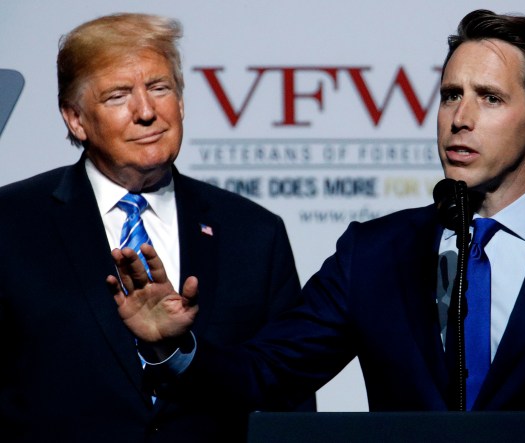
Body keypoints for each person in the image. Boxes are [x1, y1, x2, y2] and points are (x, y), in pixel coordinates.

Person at [111, 9, 525, 442]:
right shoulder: (374, 253)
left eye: (490, 98)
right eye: (451, 95)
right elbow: (263, 377)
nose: (460, 117)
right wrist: (174, 347)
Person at [0, 13, 314, 443]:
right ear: (75, 119)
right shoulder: (11, 224)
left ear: (181, 102)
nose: (146, 112)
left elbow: (288, 401)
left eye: (159, 88)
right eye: (117, 96)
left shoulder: (254, 234)